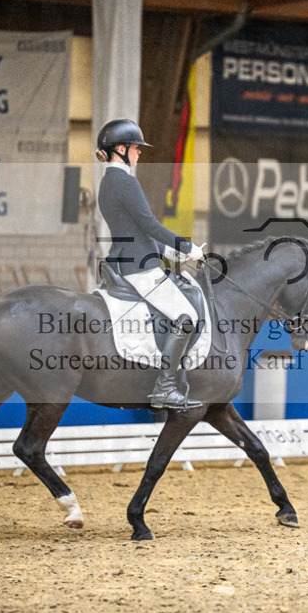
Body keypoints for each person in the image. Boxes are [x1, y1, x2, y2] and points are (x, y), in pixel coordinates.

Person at [96, 119, 206, 411]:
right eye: (135, 148)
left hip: (127, 259)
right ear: (120, 149)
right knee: (186, 316)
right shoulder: (125, 182)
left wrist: (171, 252)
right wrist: (189, 248)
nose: (139, 153)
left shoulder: (108, 182)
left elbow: (136, 230)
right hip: (139, 267)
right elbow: (149, 225)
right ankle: (166, 386)